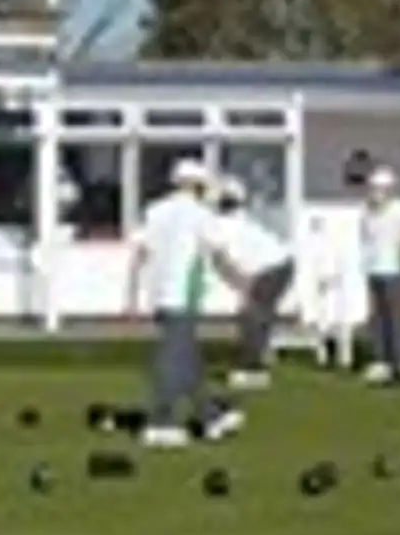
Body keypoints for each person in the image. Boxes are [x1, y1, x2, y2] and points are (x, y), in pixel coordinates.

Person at [124, 159, 246, 447]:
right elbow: (218, 256)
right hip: (183, 295)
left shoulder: (155, 211)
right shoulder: (200, 215)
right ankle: (160, 422)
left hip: (159, 295)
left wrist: (131, 296)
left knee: (187, 360)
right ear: (198, 185)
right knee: (172, 362)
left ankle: (210, 416)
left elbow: (139, 254)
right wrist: (242, 283)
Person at [215, 178, 295, 389]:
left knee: (252, 315)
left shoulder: (224, 225)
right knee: (259, 314)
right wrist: (242, 286)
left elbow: (223, 262)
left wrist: (243, 290)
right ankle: (259, 357)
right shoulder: (236, 221)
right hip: (281, 264)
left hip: (273, 267)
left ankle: (253, 368)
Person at [358, 166, 400, 385]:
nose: (376, 193)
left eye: (381, 189)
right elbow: (365, 240)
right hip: (373, 270)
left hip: (395, 270)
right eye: (373, 188)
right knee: (378, 317)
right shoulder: (366, 212)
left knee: (397, 317)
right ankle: (380, 361)